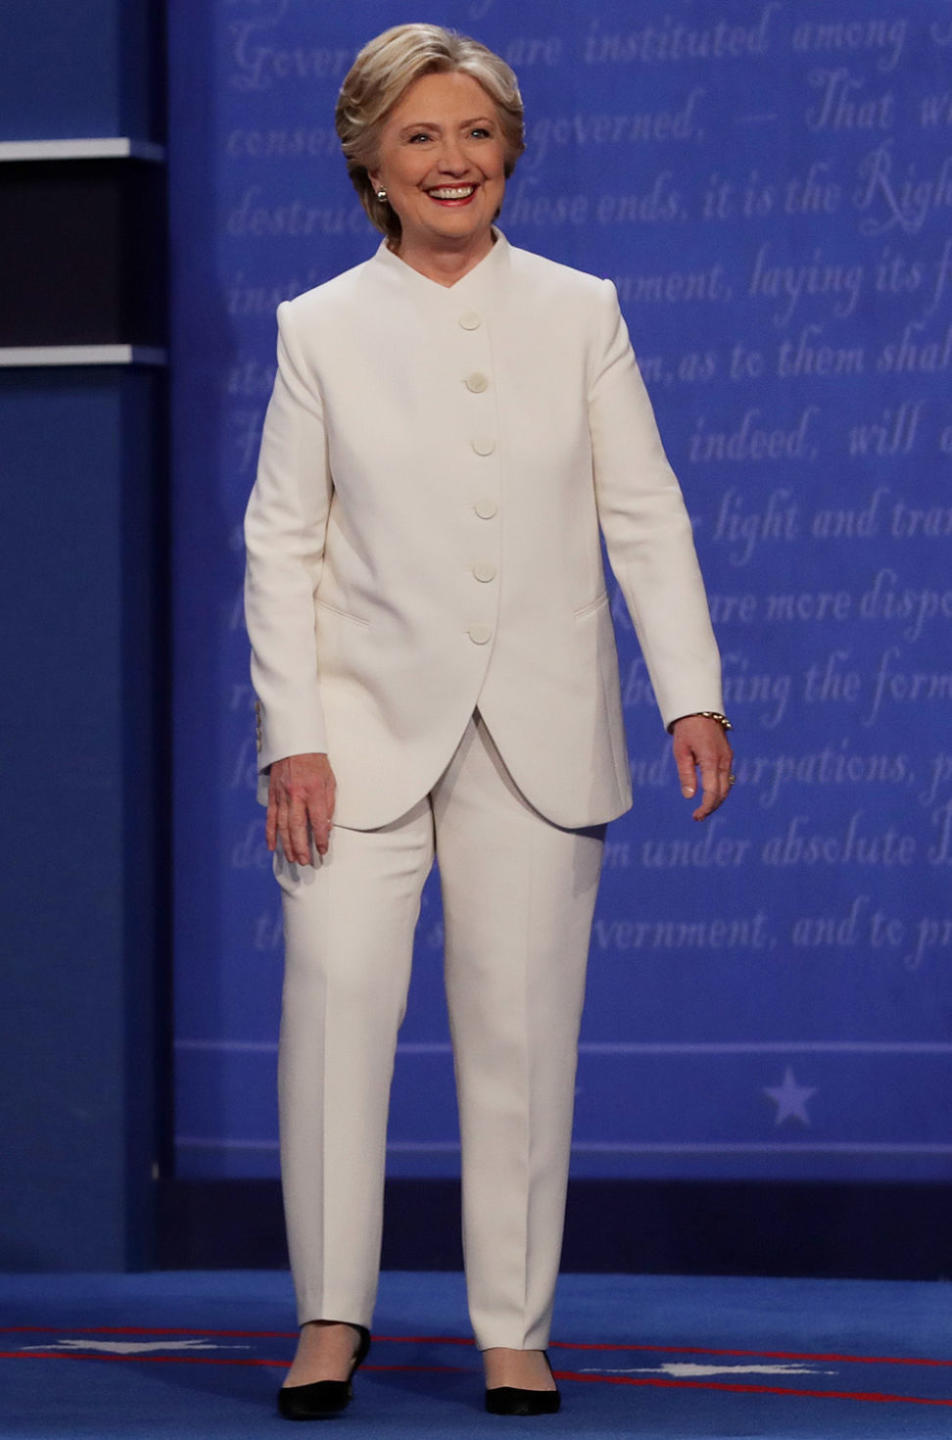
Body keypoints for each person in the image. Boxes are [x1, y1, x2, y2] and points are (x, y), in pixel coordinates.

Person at [244, 22, 733, 1421]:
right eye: (421, 137)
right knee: (334, 1014)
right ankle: (331, 1319)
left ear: (509, 150)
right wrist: (294, 734)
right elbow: (281, 545)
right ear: (372, 165)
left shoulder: (582, 311)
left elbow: (643, 513)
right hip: (353, 738)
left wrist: (689, 692)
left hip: (541, 727)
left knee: (523, 1034)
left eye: (475, 133)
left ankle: (512, 1327)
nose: (453, 160)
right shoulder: (317, 330)